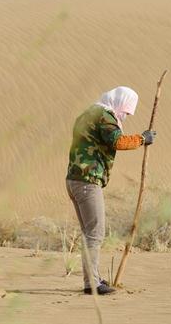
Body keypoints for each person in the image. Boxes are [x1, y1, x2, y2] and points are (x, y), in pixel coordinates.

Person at [65, 86, 156, 295]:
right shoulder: (104, 116)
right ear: (118, 103)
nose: (124, 116)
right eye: (125, 111)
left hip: (74, 179)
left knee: (90, 233)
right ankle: (92, 285)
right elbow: (117, 141)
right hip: (87, 181)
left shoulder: (88, 113)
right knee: (95, 233)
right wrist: (142, 139)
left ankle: (93, 278)